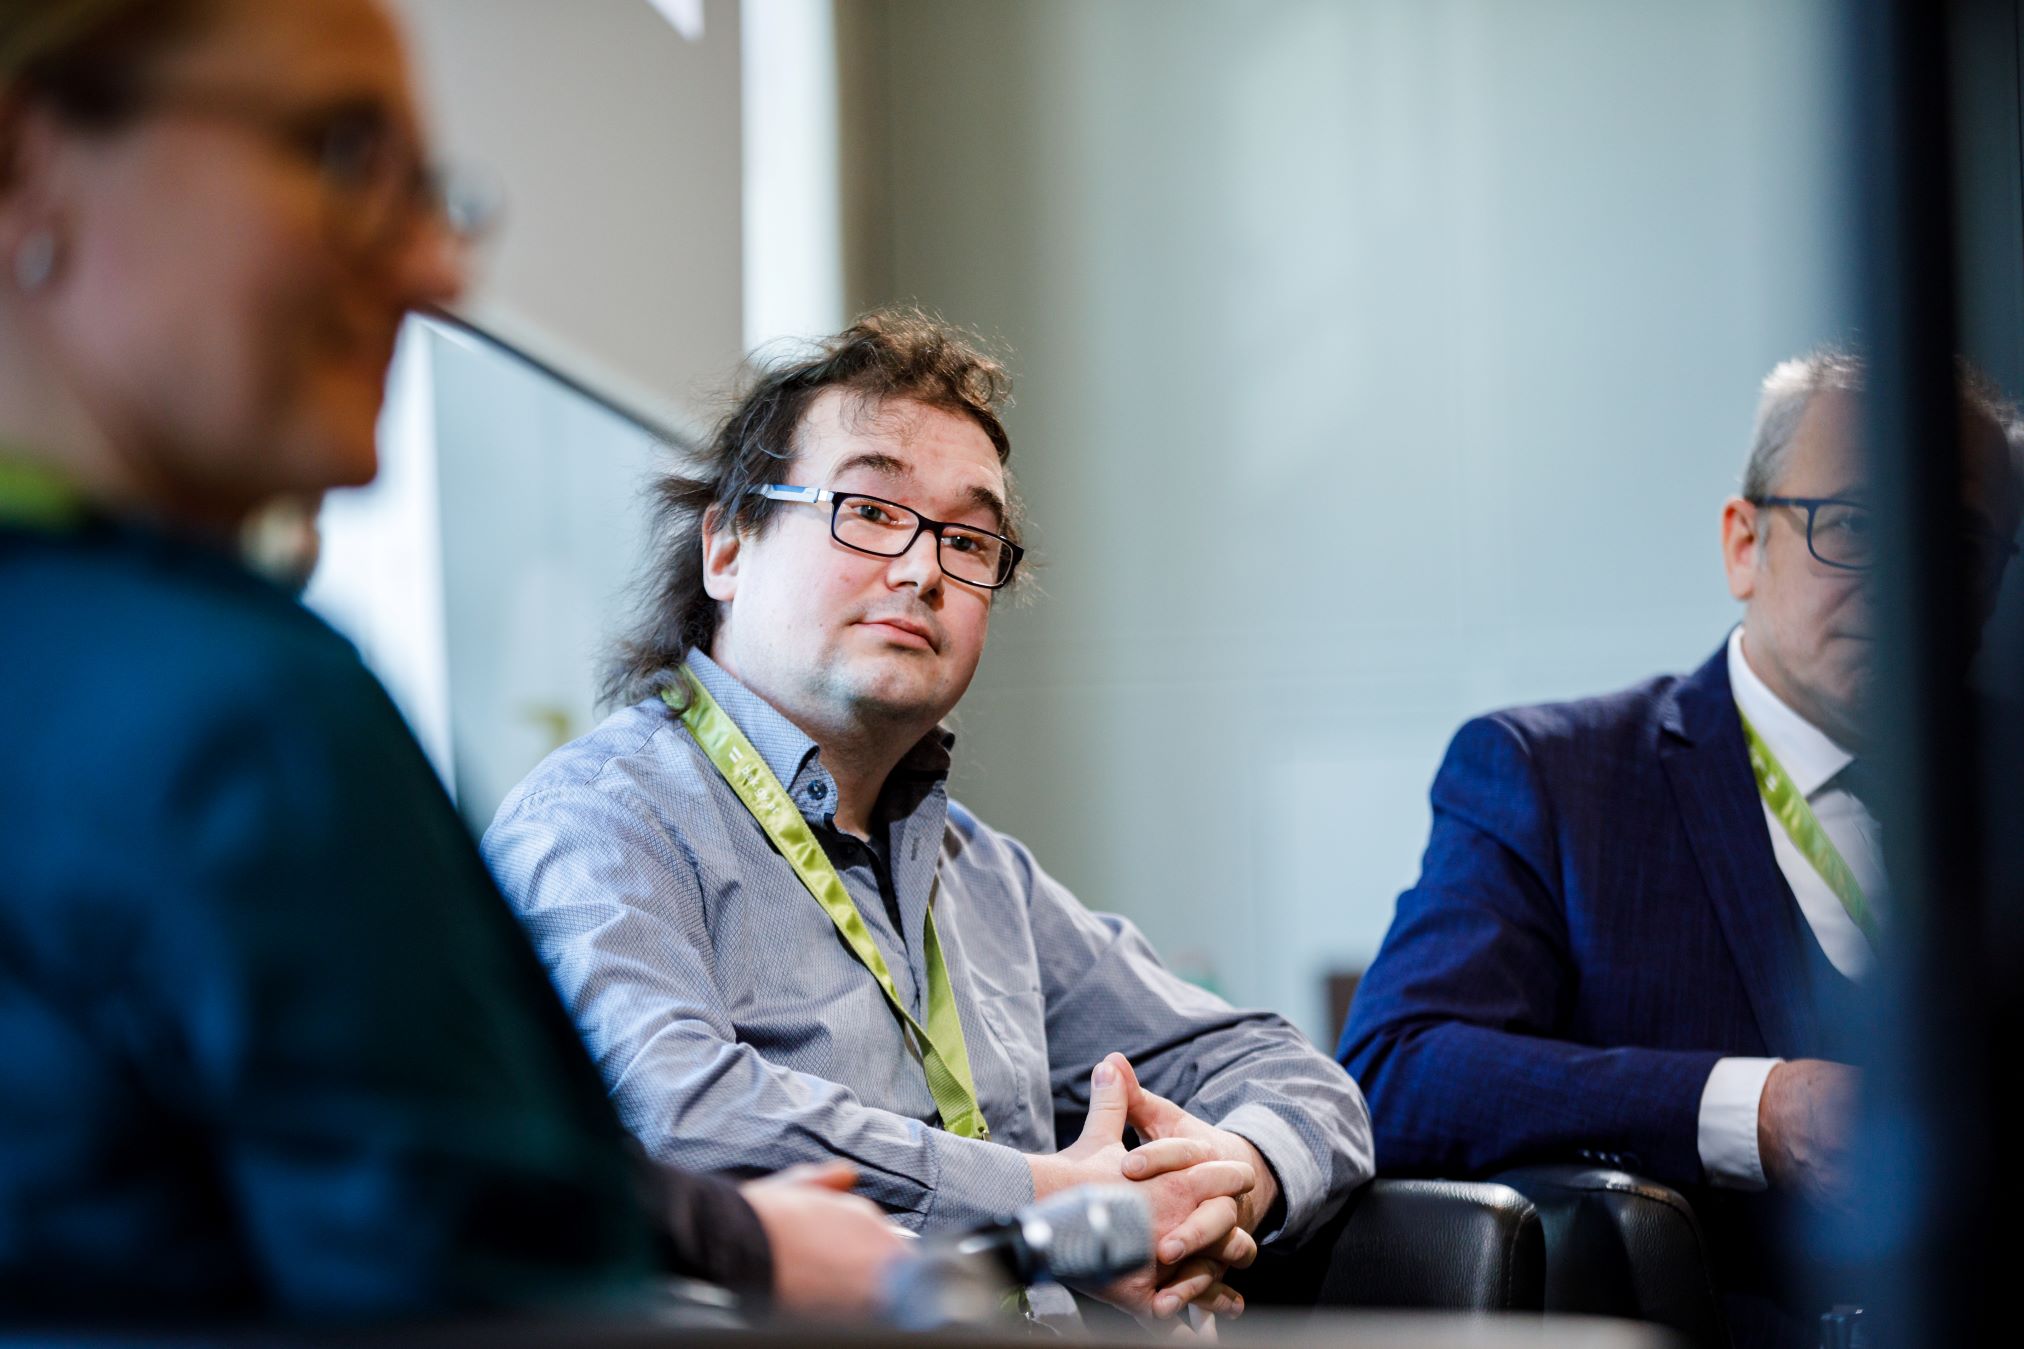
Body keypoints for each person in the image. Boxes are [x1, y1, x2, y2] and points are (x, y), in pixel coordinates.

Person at [0, 0, 900, 1323]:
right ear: (31, 162)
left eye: (433, 195)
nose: (432, 268)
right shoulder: (242, 726)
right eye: (343, 154)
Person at [482, 309, 1376, 1325]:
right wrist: (1051, 1206)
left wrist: (1225, 1179)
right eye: (868, 510)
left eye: (967, 536)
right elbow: (675, 1113)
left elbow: (1289, 1071)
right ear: (726, 547)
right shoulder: (598, 822)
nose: (922, 570)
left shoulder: (982, 873)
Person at [1337, 348, 2024, 1344]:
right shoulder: (1554, 777)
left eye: (1956, 543)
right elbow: (1396, 1069)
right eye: (1853, 526)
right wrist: (1756, 1110)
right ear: (1743, 543)